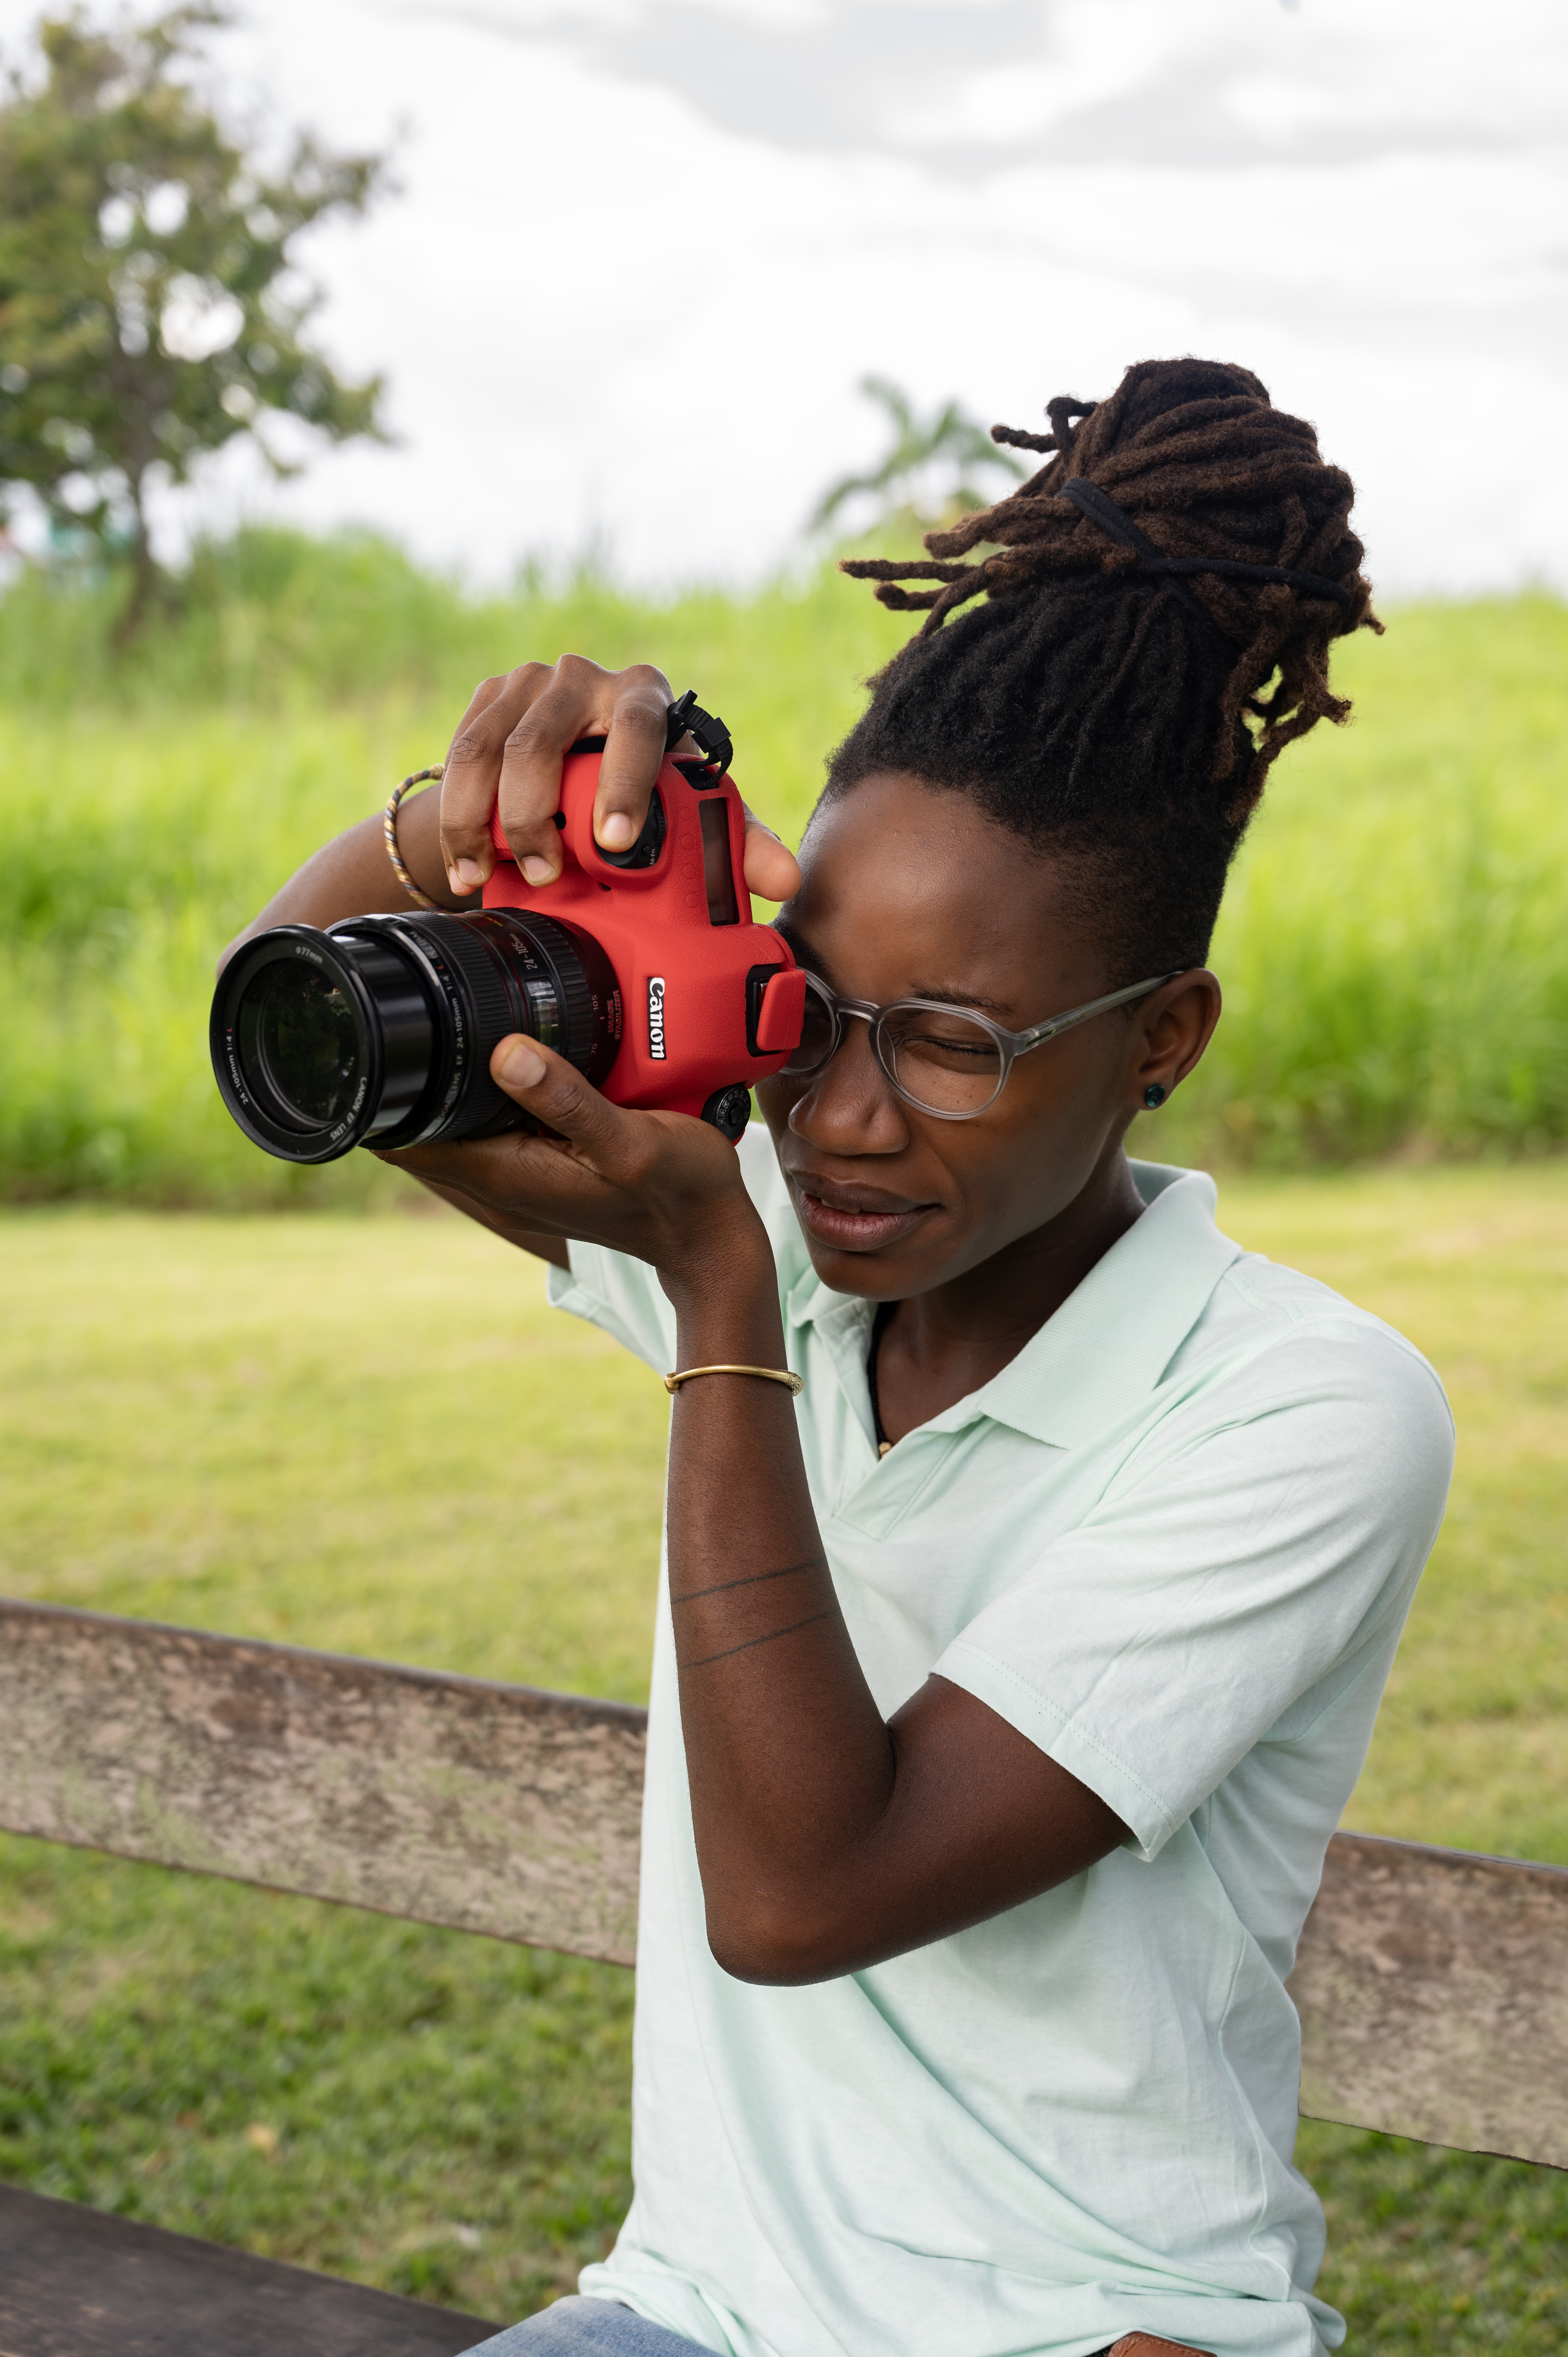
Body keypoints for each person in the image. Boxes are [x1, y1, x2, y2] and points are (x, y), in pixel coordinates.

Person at [227, 359, 1454, 2357]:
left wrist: (723, 1313)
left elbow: (803, 1898)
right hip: (693, 2313)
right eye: (815, 1013)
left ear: (1166, 1039)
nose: (847, 1120)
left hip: (1092, 2329)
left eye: (956, 1041)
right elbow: (300, 1036)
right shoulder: (782, 1248)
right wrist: (452, 818)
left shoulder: (1300, 1407)